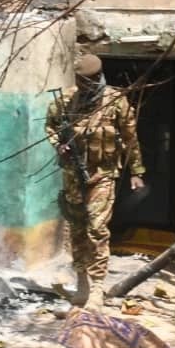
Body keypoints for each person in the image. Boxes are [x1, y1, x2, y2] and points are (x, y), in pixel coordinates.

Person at [45, 54, 145, 307]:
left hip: (102, 175)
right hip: (72, 175)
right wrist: (59, 145)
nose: (87, 85)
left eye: (91, 80)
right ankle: (82, 282)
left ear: (98, 77)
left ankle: (98, 286)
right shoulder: (66, 100)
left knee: (97, 229)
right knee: (77, 228)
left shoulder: (115, 101)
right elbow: (50, 125)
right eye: (82, 81)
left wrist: (136, 172)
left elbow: (130, 136)